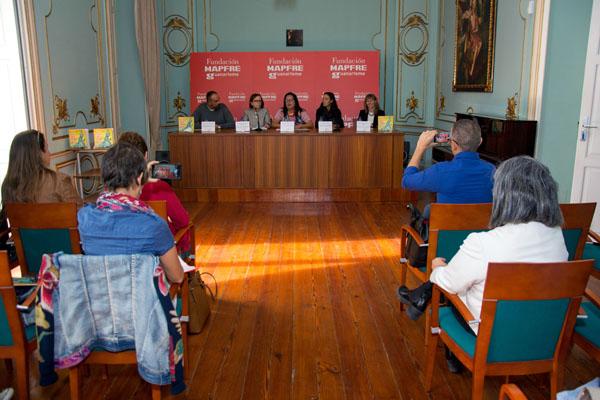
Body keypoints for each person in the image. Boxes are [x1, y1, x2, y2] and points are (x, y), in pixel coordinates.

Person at [399, 156, 567, 372]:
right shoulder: (557, 237)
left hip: (492, 336)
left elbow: (449, 284)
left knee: (449, 281)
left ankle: (427, 308)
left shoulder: (484, 243)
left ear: (504, 196)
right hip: (540, 334)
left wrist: (437, 268)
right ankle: (421, 300)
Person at [77, 142, 184, 284]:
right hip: (142, 303)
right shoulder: (155, 225)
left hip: (101, 301)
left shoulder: (85, 217)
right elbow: (177, 277)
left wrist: (140, 181)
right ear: (140, 178)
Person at [118, 131, 191, 254]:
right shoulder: (160, 187)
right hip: (160, 254)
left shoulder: (110, 194)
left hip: (124, 255)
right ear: (146, 156)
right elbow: (183, 221)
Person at [402, 119, 494, 204]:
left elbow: (406, 181)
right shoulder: (492, 171)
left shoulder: (441, 171)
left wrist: (420, 147)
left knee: (428, 210)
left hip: (449, 221)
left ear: (453, 145)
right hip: (481, 221)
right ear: (480, 142)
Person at [1, 129, 82, 209]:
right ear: (39, 153)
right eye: (47, 148)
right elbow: (81, 214)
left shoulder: (7, 186)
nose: (50, 153)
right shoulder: (60, 181)